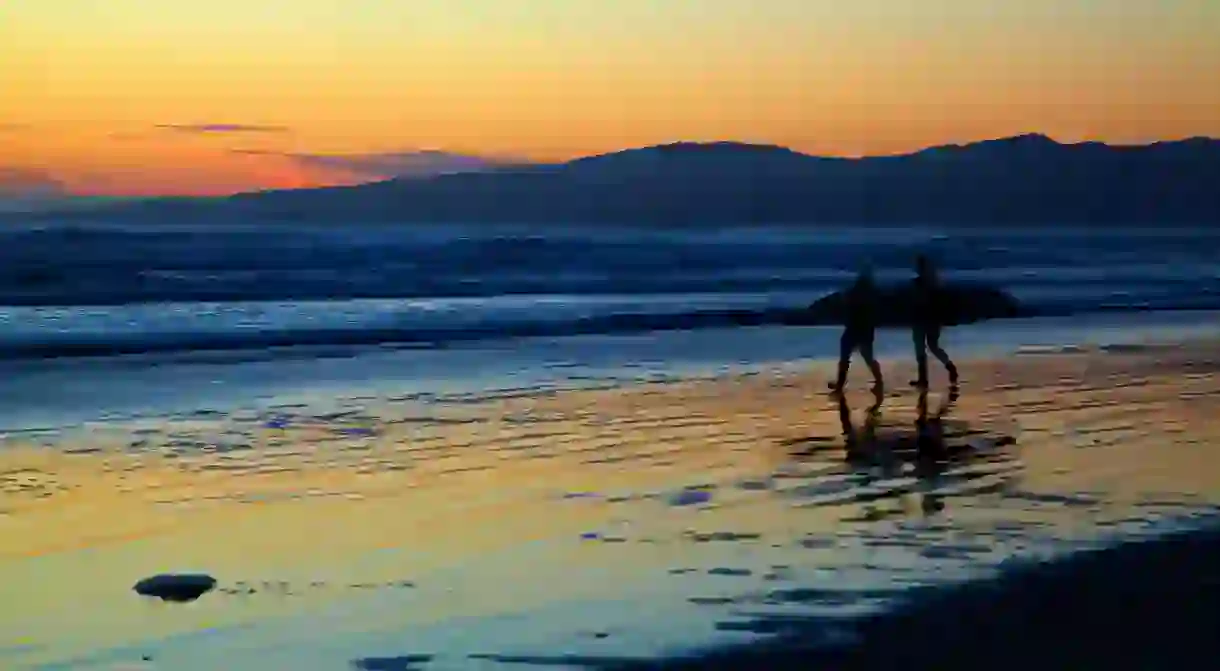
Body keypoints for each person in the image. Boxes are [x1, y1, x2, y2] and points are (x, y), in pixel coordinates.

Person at [828, 267, 884, 394]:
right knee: (867, 356)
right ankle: (879, 381)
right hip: (864, 329)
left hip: (855, 328)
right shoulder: (871, 294)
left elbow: (847, 305)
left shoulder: (857, 293)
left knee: (846, 356)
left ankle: (840, 385)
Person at [911, 254, 959, 388]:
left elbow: (919, 301)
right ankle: (949, 368)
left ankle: (925, 378)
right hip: (930, 318)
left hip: (924, 318)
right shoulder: (934, 282)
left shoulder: (923, 283)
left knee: (923, 347)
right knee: (932, 346)